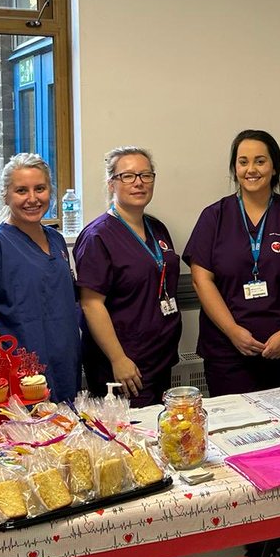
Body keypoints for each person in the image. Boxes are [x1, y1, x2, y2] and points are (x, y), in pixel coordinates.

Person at [184, 130, 280, 395]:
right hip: (227, 351)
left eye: (260, 161)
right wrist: (233, 331)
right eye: (243, 161)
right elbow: (201, 281)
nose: (251, 169)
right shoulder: (215, 217)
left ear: (274, 167)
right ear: (234, 168)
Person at [0, 153, 80, 402]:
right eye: (21, 190)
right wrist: (3, 384)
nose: (32, 199)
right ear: (6, 195)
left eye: (40, 189)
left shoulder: (56, 240)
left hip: (64, 368)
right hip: (18, 379)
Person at [74, 147, 183, 408]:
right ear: (111, 183)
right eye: (128, 176)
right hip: (125, 365)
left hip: (160, 357)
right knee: (132, 442)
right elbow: (91, 304)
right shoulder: (97, 236)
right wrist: (118, 359)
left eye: (146, 175)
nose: (139, 183)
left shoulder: (156, 228)